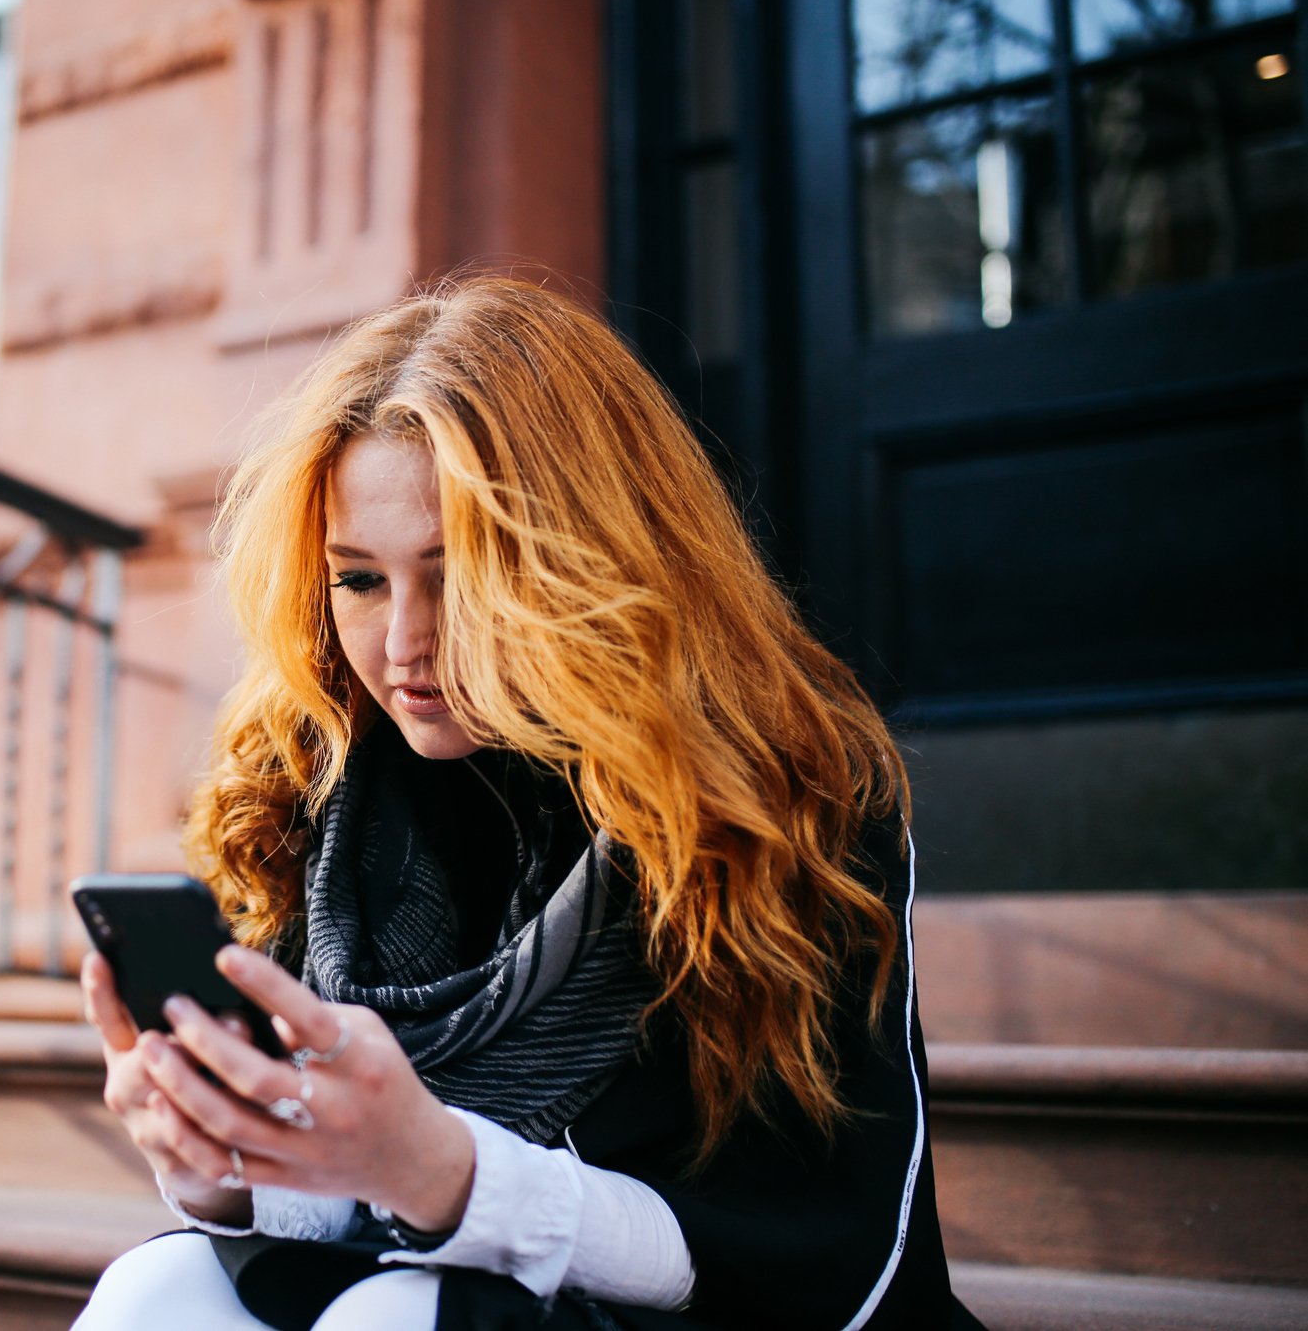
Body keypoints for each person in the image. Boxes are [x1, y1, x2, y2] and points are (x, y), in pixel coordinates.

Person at [73, 277, 983, 1330]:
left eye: (457, 574)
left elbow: (830, 1252)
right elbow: (345, 1207)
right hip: (424, 1286)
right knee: (159, 1288)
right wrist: (221, 1166)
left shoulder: (781, 797)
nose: (404, 646)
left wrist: (452, 1173)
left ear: (585, 561)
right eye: (359, 580)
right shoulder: (310, 787)